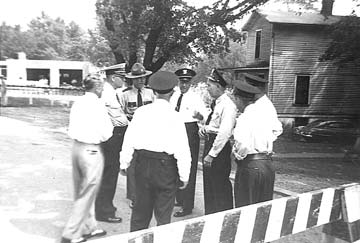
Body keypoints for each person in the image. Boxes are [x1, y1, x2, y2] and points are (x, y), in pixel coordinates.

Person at [120, 71, 191, 232]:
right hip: (166, 168)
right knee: (163, 217)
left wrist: (124, 163)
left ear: (153, 91)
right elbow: (182, 150)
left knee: (139, 215)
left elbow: (128, 141)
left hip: (142, 164)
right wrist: (184, 176)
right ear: (172, 93)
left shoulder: (141, 112)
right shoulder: (176, 117)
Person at [61, 73, 113, 243]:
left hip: (76, 147)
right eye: (102, 88)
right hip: (91, 150)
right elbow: (107, 132)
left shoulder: (78, 102)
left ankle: (89, 226)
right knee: (87, 191)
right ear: (97, 88)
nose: (102, 90)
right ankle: (70, 234)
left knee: (81, 190)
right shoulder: (98, 105)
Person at [231, 77, 283, 208]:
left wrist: (237, 155)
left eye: (235, 100)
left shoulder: (244, 117)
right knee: (262, 210)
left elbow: (242, 144)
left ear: (239, 99)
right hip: (267, 164)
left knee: (245, 208)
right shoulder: (264, 112)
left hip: (250, 166)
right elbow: (277, 129)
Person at [170, 68, 208, 217]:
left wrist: (200, 116)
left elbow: (204, 115)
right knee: (175, 164)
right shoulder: (174, 96)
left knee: (189, 167)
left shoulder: (195, 97)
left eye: (186, 82)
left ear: (190, 82)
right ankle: (179, 198)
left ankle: (187, 205)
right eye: (181, 82)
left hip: (189, 131)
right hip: (175, 130)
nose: (183, 85)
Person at [199, 68, 237, 215]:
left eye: (210, 85)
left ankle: (223, 218)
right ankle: (210, 216)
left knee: (219, 185)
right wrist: (204, 128)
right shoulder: (216, 104)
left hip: (219, 150)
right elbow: (215, 126)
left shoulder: (228, 106)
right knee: (209, 184)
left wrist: (212, 154)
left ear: (219, 86)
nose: (208, 89)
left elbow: (225, 133)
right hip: (211, 143)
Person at [118, 62, 155, 208]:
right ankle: (134, 196)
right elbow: (121, 113)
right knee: (132, 164)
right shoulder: (125, 94)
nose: (141, 81)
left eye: (143, 78)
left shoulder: (151, 93)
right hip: (132, 130)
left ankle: (147, 193)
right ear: (132, 79)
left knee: (148, 161)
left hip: (148, 131)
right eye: (138, 78)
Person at [95, 63, 127, 223]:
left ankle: (102, 208)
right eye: (122, 77)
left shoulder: (108, 91)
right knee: (109, 175)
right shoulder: (108, 93)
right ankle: (105, 211)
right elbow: (119, 120)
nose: (124, 79)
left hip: (108, 137)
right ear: (113, 78)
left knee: (106, 174)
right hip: (112, 138)